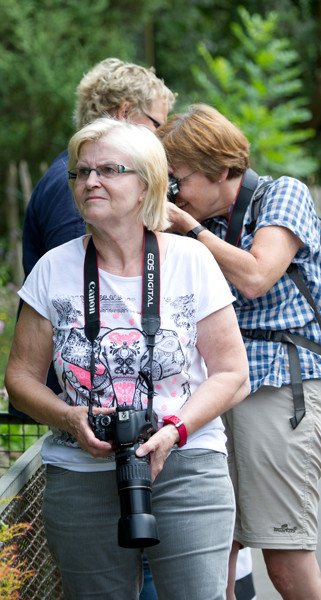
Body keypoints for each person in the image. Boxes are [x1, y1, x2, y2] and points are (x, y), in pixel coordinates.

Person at [5, 117, 250, 599]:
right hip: (80, 474)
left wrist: (175, 430)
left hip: (187, 467)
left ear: (146, 184)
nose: (90, 181)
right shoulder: (54, 268)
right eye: (82, 172)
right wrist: (69, 417)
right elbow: (20, 378)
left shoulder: (190, 260)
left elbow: (232, 374)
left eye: (108, 170)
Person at [157, 103, 321, 600]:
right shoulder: (198, 219)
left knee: (284, 554)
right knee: (212, 546)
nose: (172, 194)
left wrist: (188, 228)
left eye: (176, 180)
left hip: (275, 385)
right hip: (210, 389)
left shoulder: (282, 195)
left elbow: (255, 276)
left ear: (222, 170)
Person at [17, 58, 176, 398]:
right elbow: (76, 285)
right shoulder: (84, 187)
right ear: (125, 112)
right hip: (76, 394)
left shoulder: (73, 173)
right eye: (158, 124)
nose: (162, 137)